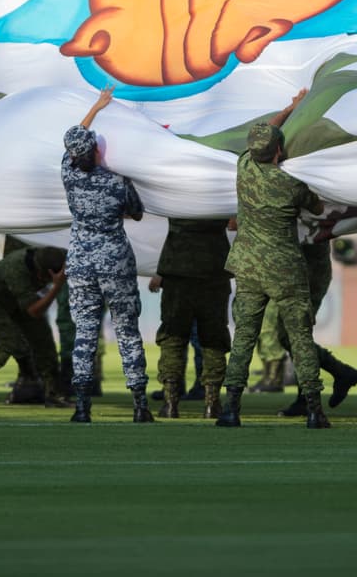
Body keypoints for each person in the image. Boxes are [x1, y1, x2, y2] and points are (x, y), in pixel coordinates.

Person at [217, 89, 331, 429]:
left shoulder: (244, 169)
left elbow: (263, 132)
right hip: (286, 269)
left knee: (244, 339)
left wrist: (287, 109)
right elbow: (319, 208)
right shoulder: (291, 184)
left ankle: (231, 409)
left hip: (249, 267)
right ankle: (314, 410)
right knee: (300, 337)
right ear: (279, 150)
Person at [61, 86, 149, 423]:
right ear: (97, 151)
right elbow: (137, 212)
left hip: (81, 263)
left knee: (84, 331)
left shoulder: (68, 175)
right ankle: (140, 404)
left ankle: (82, 406)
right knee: (127, 330)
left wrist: (95, 107)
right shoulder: (116, 181)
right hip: (115, 261)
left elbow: (74, 139)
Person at [0, 246, 70, 410]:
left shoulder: (59, 258)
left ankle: (54, 395)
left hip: (16, 301)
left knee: (43, 339)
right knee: (8, 342)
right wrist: (57, 287)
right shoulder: (16, 270)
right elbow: (34, 311)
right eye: (46, 278)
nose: (45, 282)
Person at [150, 218, 232, 419]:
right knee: (213, 339)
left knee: (173, 339)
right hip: (214, 267)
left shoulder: (178, 190)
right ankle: (212, 404)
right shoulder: (220, 190)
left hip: (177, 268)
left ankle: (170, 403)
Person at [276, 240, 357, 418]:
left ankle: (310, 395)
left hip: (307, 270)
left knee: (294, 335)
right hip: (299, 269)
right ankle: (329, 380)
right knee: (292, 335)